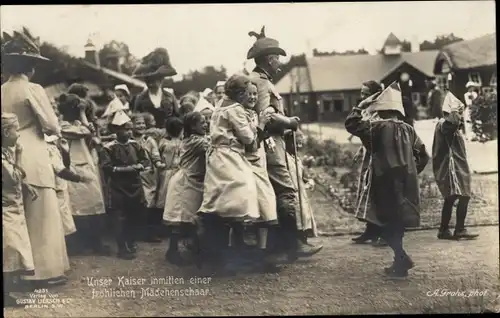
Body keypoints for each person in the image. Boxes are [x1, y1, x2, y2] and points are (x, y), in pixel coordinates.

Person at [247, 26, 322, 260]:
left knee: (277, 191)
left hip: (273, 141)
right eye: (277, 59)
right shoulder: (259, 82)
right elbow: (262, 114)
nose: (279, 64)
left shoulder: (262, 80)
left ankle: (279, 243)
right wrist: (288, 121)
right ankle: (292, 245)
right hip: (269, 143)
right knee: (285, 191)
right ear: (269, 60)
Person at [2, 31, 69, 287]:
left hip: (7, 153)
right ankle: (44, 271)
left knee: (16, 215)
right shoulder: (33, 89)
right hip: (33, 151)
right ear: (29, 65)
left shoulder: (2, 90)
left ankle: (16, 270)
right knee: (41, 212)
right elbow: (51, 126)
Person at [345, 82, 430, 279]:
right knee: (397, 221)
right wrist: (413, 171)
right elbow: (424, 155)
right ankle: (399, 262)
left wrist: (360, 106)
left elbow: (351, 124)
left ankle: (401, 257)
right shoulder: (409, 129)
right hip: (406, 181)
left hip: (384, 180)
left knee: (385, 221)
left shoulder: (377, 128)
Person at [57, 93, 110, 256]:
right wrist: (82, 115)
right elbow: (86, 132)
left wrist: (83, 118)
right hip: (74, 167)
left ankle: (95, 242)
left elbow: (91, 132)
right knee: (78, 207)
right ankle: (79, 243)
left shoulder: (78, 123)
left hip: (86, 164)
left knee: (94, 203)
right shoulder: (62, 126)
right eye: (78, 109)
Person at [99, 110, 151, 260]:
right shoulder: (108, 148)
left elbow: (145, 160)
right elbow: (107, 167)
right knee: (120, 217)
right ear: (115, 130)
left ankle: (131, 241)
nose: (127, 132)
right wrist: (128, 169)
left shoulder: (135, 145)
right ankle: (122, 247)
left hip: (134, 185)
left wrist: (140, 166)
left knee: (134, 214)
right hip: (118, 186)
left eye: (129, 129)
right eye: (124, 129)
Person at [163, 112, 209, 265]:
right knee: (181, 217)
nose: (206, 124)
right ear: (192, 126)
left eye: (206, 121)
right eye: (202, 122)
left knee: (194, 216)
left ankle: (196, 248)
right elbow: (212, 146)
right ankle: (172, 251)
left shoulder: (195, 139)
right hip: (184, 182)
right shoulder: (194, 141)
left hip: (194, 182)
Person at [433, 92, 479, 241]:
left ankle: (444, 229)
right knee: (462, 195)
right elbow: (452, 121)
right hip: (452, 166)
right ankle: (458, 229)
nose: (460, 116)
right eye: (458, 112)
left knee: (453, 196)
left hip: (457, 165)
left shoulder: (449, 126)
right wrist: (454, 108)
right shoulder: (446, 125)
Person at [2, 113, 36, 306]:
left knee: (12, 248)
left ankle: (9, 288)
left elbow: (15, 177)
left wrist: (26, 184)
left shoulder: (5, 151)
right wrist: (20, 155)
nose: (19, 134)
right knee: (9, 247)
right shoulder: (5, 155)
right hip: (6, 210)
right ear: (6, 132)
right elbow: (13, 176)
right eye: (16, 129)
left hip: (11, 207)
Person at [350, 81, 387, 247]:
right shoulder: (368, 111)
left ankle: (382, 230)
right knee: (367, 190)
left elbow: (374, 133)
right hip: (369, 154)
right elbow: (366, 133)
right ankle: (370, 229)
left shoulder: (380, 112)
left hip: (379, 156)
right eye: (362, 93)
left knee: (377, 192)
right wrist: (361, 149)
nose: (363, 97)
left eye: (366, 94)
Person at [131, 113, 165, 243]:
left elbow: (155, 154)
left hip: (148, 175)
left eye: (143, 123)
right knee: (135, 203)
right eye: (138, 123)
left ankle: (150, 232)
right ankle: (135, 231)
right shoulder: (130, 139)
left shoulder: (149, 140)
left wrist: (158, 163)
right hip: (133, 174)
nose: (141, 126)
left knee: (149, 202)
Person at [284, 129, 319, 240]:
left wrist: (308, 180)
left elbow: (302, 175)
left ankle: (304, 238)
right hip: (292, 192)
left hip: (301, 193)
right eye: (296, 143)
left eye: (300, 144)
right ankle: (297, 240)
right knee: (297, 217)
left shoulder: (296, 159)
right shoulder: (285, 159)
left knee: (304, 216)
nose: (298, 147)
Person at [133, 48, 180, 128]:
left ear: (161, 79)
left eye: (153, 81)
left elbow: (177, 118)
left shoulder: (170, 97)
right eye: (148, 81)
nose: (150, 84)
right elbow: (135, 120)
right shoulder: (140, 98)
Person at [155, 117, 183, 225]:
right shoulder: (181, 143)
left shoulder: (163, 142)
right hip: (176, 171)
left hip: (165, 171)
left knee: (163, 195)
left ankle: (163, 222)